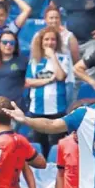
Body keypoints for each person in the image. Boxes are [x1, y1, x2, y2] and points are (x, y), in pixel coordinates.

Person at [26, 26, 69, 158]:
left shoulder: (63, 59)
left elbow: (61, 76)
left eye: (53, 39)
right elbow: (27, 82)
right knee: (39, 146)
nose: (49, 42)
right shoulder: (34, 61)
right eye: (46, 39)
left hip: (57, 110)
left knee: (57, 147)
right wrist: (48, 80)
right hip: (37, 110)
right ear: (41, 41)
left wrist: (52, 57)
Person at [32, 6, 79, 104]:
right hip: (43, 79)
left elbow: (76, 61)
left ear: (60, 19)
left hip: (66, 81)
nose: (54, 20)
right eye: (51, 18)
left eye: (56, 17)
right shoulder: (38, 35)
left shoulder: (69, 36)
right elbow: (34, 57)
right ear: (45, 19)